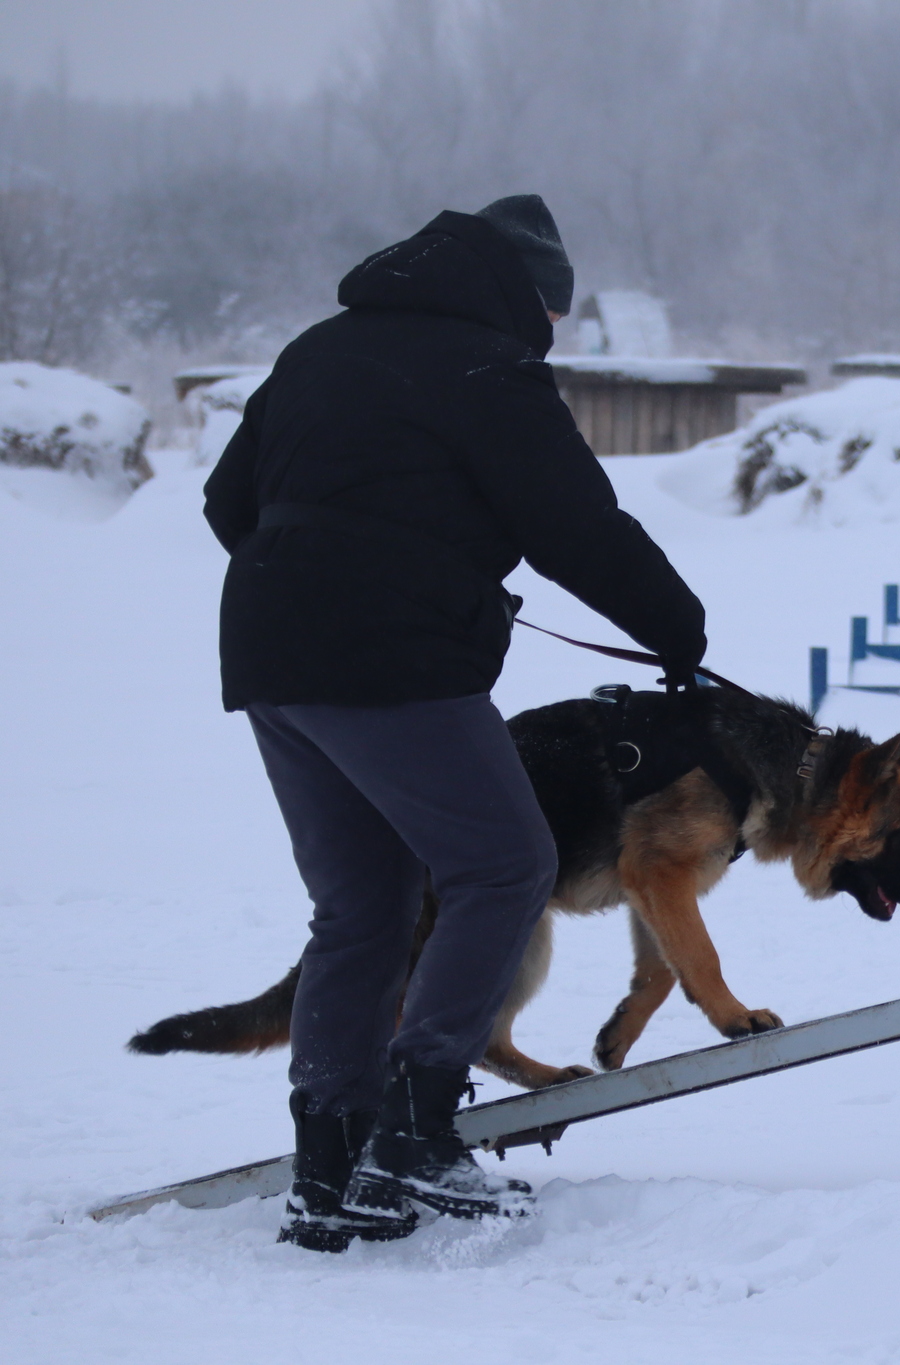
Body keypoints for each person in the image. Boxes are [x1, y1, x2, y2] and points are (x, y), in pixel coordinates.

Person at [201, 195, 707, 1252]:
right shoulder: (486, 368)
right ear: (521, 295)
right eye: (550, 313)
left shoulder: (322, 348)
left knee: (364, 903)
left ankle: (330, 1164)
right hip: (388, 651)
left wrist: (316, 572)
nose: (551, 335)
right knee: (504, 862)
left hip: (267, 648)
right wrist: (675, 628)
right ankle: (415, 1124)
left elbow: (225, 499)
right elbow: (576, 525)